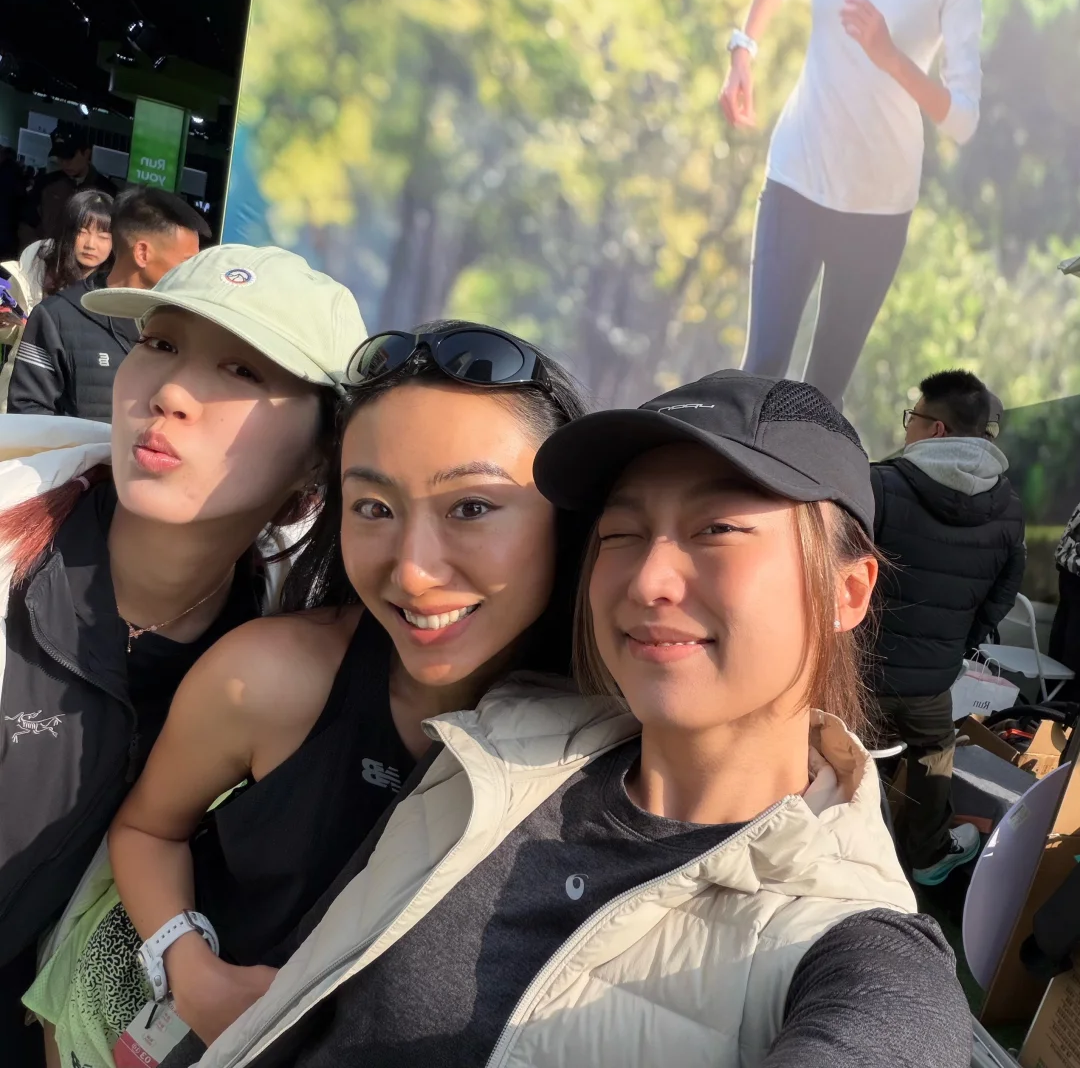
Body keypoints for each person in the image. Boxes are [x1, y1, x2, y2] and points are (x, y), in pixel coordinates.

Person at [196, 371, 970, 1068]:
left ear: (848, 591)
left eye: (717, 529)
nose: (648, 578)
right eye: (620, 534)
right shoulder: (498, 736)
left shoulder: (855, 945)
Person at [26, 323, 591, 1066]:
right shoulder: (270, 677)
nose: (413, 571)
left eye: (472, 507)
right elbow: (147, 830)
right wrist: (189, 969)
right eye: (374, 508)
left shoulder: (611, 743)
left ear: (569, 517)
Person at [0, 244, 363, 1068]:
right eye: (160, 344)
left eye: (240, 370)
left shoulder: (276, 664)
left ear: (322, 452)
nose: (168, 394)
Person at [721, 0, 981, 408]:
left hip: (877, 208)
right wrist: (744, 48)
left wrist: (891, 57)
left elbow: (963, 119)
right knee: (759, 372)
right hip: (796, 176)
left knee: (818, 399)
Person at [871, 369, 1025, 885]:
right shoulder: (1009, 508)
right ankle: (930, 854)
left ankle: (841, 849)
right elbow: (1002, 594)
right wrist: (956, 645)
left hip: (856, 671)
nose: (907, 428)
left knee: (839, 753)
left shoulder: (880, 484)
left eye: (912, 417)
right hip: (932, 680)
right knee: (934, 748)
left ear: (935, 428)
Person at [8, 187, 207, 421]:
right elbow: (27, 412)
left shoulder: (187, 325)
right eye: (187, 262)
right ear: (142, 253)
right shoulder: (56, 316)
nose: (192, 272)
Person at [21, 125, 116, 247]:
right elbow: (27, 224)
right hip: (45, 254)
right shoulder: (46, 184)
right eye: (60, 157)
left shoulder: (107, 192)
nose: (64, 163)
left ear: (86, 153)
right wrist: (36, 251)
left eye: (70, 156)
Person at [1049, 502, 1080, 678]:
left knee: (1061, 653)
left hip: (1069, 567)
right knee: (1070, 661)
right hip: (1073, 570)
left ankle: (1051, 694)